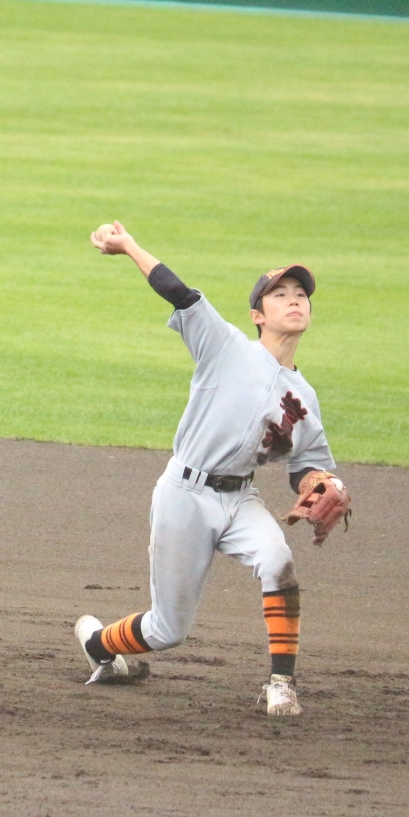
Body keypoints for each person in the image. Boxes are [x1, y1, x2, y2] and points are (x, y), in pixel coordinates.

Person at [75, 223, 350, 716]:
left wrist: (321, 482)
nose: (294, 299)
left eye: (301, 294)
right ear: (257, 315)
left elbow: (306, 465)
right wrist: (128, 246)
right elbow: (179, 293)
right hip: (185, 494)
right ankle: (99, 645)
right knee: (167, 630)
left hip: (240, 499)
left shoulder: (304, 397)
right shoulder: (224, 345)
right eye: (280, 294)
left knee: (278, 559)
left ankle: (282, 685)